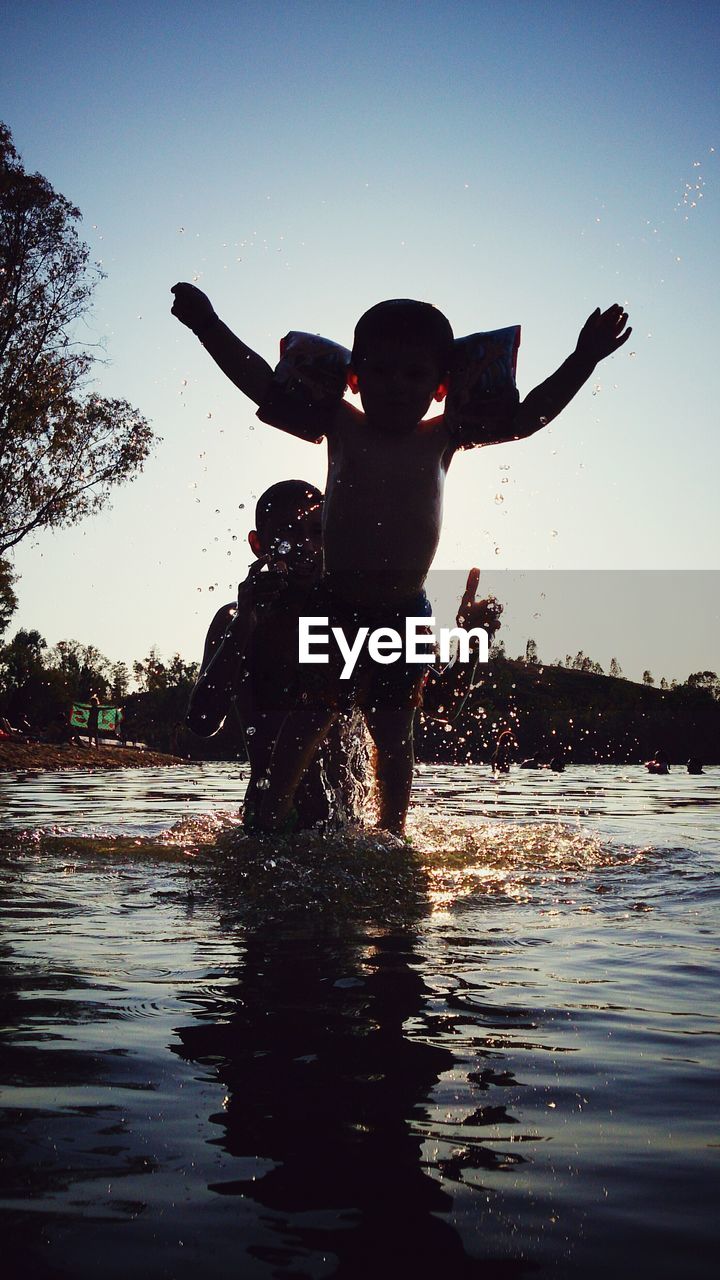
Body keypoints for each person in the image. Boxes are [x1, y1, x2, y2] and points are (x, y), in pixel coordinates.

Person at [172, 284, 631, 832]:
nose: (396, 387)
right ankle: (267, 820)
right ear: (355, 379)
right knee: (307, 718)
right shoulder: (340, 426)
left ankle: (392, 834)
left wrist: (583, 359)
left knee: (396, 736)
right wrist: (207, 325)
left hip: (405, 610)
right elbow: (262, 384)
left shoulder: (444, 437)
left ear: (441, 387)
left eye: (414, 376)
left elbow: (529, 416)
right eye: (382, 374)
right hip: (335, 605)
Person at [187, 480, 370, 830]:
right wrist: (245, 624)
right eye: (288, 533)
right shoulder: (235, 621)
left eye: (317, 532)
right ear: (259, 545)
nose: (305, 545)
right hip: (266, 828)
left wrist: (472, 639)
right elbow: (202, 722)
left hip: (346, 828)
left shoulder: (353, 620)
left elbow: (436, 708)